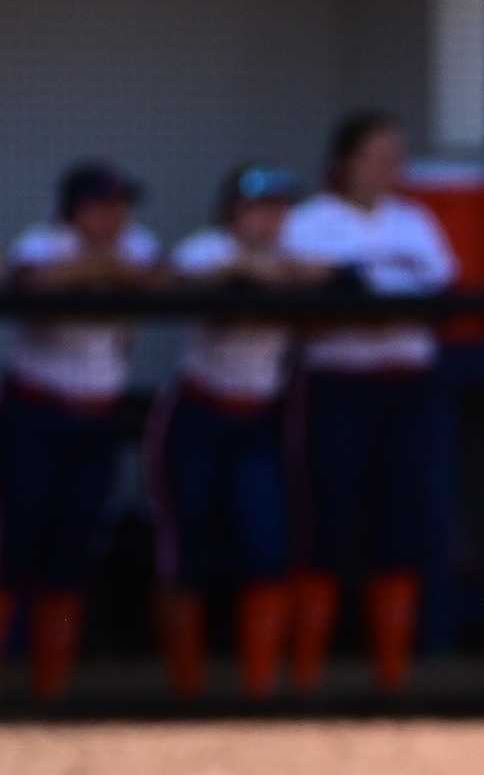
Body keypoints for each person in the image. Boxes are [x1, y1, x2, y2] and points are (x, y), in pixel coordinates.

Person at [281, 112, 457, 694]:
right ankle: (304, 677)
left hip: (407, 388)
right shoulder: (310, 222)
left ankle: (393, 681)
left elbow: (442, 292)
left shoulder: (415, 220)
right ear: (348, 161)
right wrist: (360, 296)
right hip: (338, 385)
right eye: (378, 154)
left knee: (399, 523)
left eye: (396, 155)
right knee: (326, 521)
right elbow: (307, 297)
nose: (391, 167)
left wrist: (361, 290)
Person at [145, 164, 323, 700]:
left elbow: (332, 279)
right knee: (185, 550)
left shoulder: (295, 257)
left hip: (259, 419)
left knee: (268, 547)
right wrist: (246, 276)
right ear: (233, 212)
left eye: (278, 208)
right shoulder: (206, 248)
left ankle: (260, 691)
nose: (269, 218)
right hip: (196, 414)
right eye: (257, 207)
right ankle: (187, 691)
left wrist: (276, 275)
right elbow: (174, 281)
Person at [0, 161, 164, 699]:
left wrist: (105, 268)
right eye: (100, 205)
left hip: (96, 421)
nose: (113, 216)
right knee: (12, 546)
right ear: (74, 210)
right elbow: (27, 279)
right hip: (33, 415)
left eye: (120, 205)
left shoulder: (137, 243)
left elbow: (162, 276)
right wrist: (99, 268)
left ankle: (51, 693)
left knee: (71, 551)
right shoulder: (43, 242)